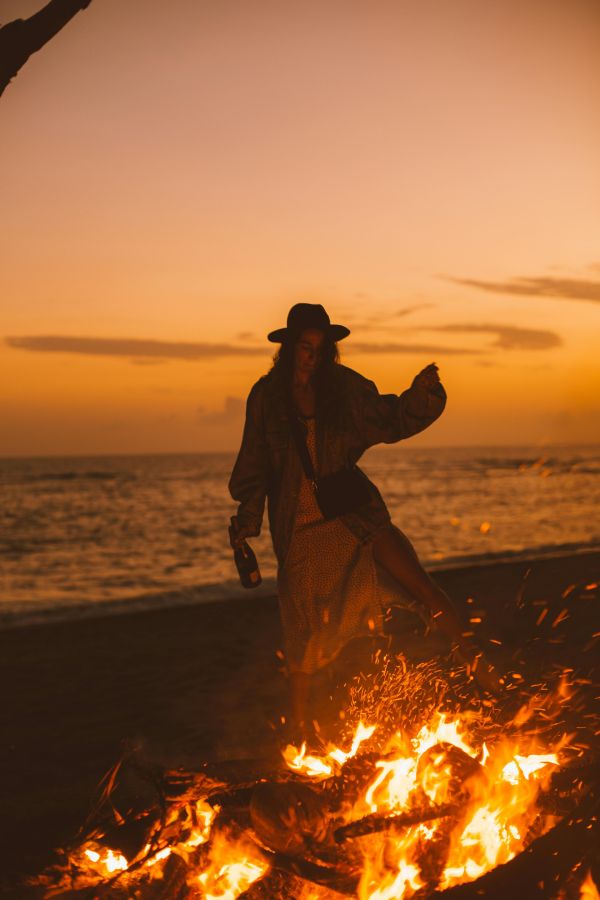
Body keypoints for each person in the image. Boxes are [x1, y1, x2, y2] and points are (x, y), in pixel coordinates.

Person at [229, 303, 499, 742]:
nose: (312, 357)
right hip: (299, 533)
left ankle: (475, 661)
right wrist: (247, 517)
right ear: (288, 348)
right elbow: (255, 464)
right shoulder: (266, 398)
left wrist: (422, 396)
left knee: (418, 583)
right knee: (303, 636)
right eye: (305, 347)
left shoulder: (344, 390)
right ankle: (300, 733)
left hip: (354, 518)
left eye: (320, 349)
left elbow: (389, 419)